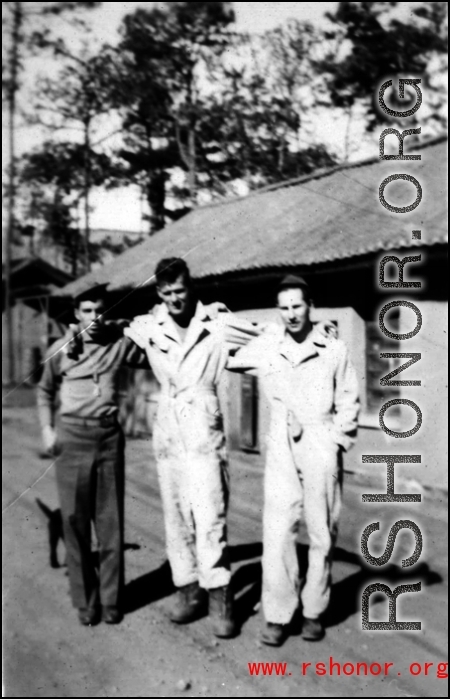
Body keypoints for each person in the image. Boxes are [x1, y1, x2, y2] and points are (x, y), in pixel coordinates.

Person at [124, 258, 264, 638]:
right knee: (175, 513)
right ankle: (188, 590)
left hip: (202, 424)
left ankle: (220, 596)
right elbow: (120, 331)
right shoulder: (149, 325)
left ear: (191, 286)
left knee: (210, 510)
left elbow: (264, 338)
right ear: (158, 293)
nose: (174, 299)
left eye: (180, 291)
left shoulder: (217, 323)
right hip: (168, 427)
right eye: (166, 293)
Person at [228, 274, 359, 646]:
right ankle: (278, 614)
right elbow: (229, 348)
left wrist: (336, 441)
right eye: (283, 308)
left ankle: (314, 611)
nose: (290, 314)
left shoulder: (333, 347)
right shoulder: (268, 345)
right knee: (277, 529)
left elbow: (349, 397)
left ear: (310, 305)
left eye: (297, 306)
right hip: (281, 442)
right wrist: (265, 329)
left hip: (319, 438)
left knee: (321, 530)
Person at [37, 285, 148, 626]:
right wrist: (47, 429)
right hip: (72, 437)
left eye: (99, 310)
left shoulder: (119, 345)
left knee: (110, 522)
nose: (94, 317)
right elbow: (44, 390)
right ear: (76, 315)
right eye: (87, 311)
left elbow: (154, 353)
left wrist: (131, 326)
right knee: (74, 521)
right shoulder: (62, 350)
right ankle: (86, 600)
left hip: (108, 438)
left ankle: (112, 599)